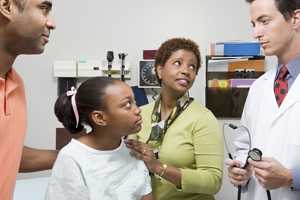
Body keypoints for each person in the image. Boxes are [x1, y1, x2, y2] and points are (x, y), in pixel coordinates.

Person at [126, 38, 224, 200]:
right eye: (178, 63)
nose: (186, 70)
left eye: (192, 66)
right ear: (159, 70)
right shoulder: (140, 114)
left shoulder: (203, 118)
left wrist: (158, 167)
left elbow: (213, 181)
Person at [226, 0, 300, 199]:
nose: (256, 33)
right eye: (253, 24)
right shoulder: (259, 87)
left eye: (264, 21)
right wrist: (242, 168)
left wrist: (291, 177)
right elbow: (244, 145)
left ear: (295, 18)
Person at [45, 77, 153, 200]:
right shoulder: (72, 158)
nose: (138, 110)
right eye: (127, 104)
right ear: (100, 118)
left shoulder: (133, 151)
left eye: (135, 102)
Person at [0, 0, 57, 199]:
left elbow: (9, 154)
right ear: (7, 7)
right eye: (43, 8)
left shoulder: (15, 84)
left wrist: (79, 152)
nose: (52, 23)